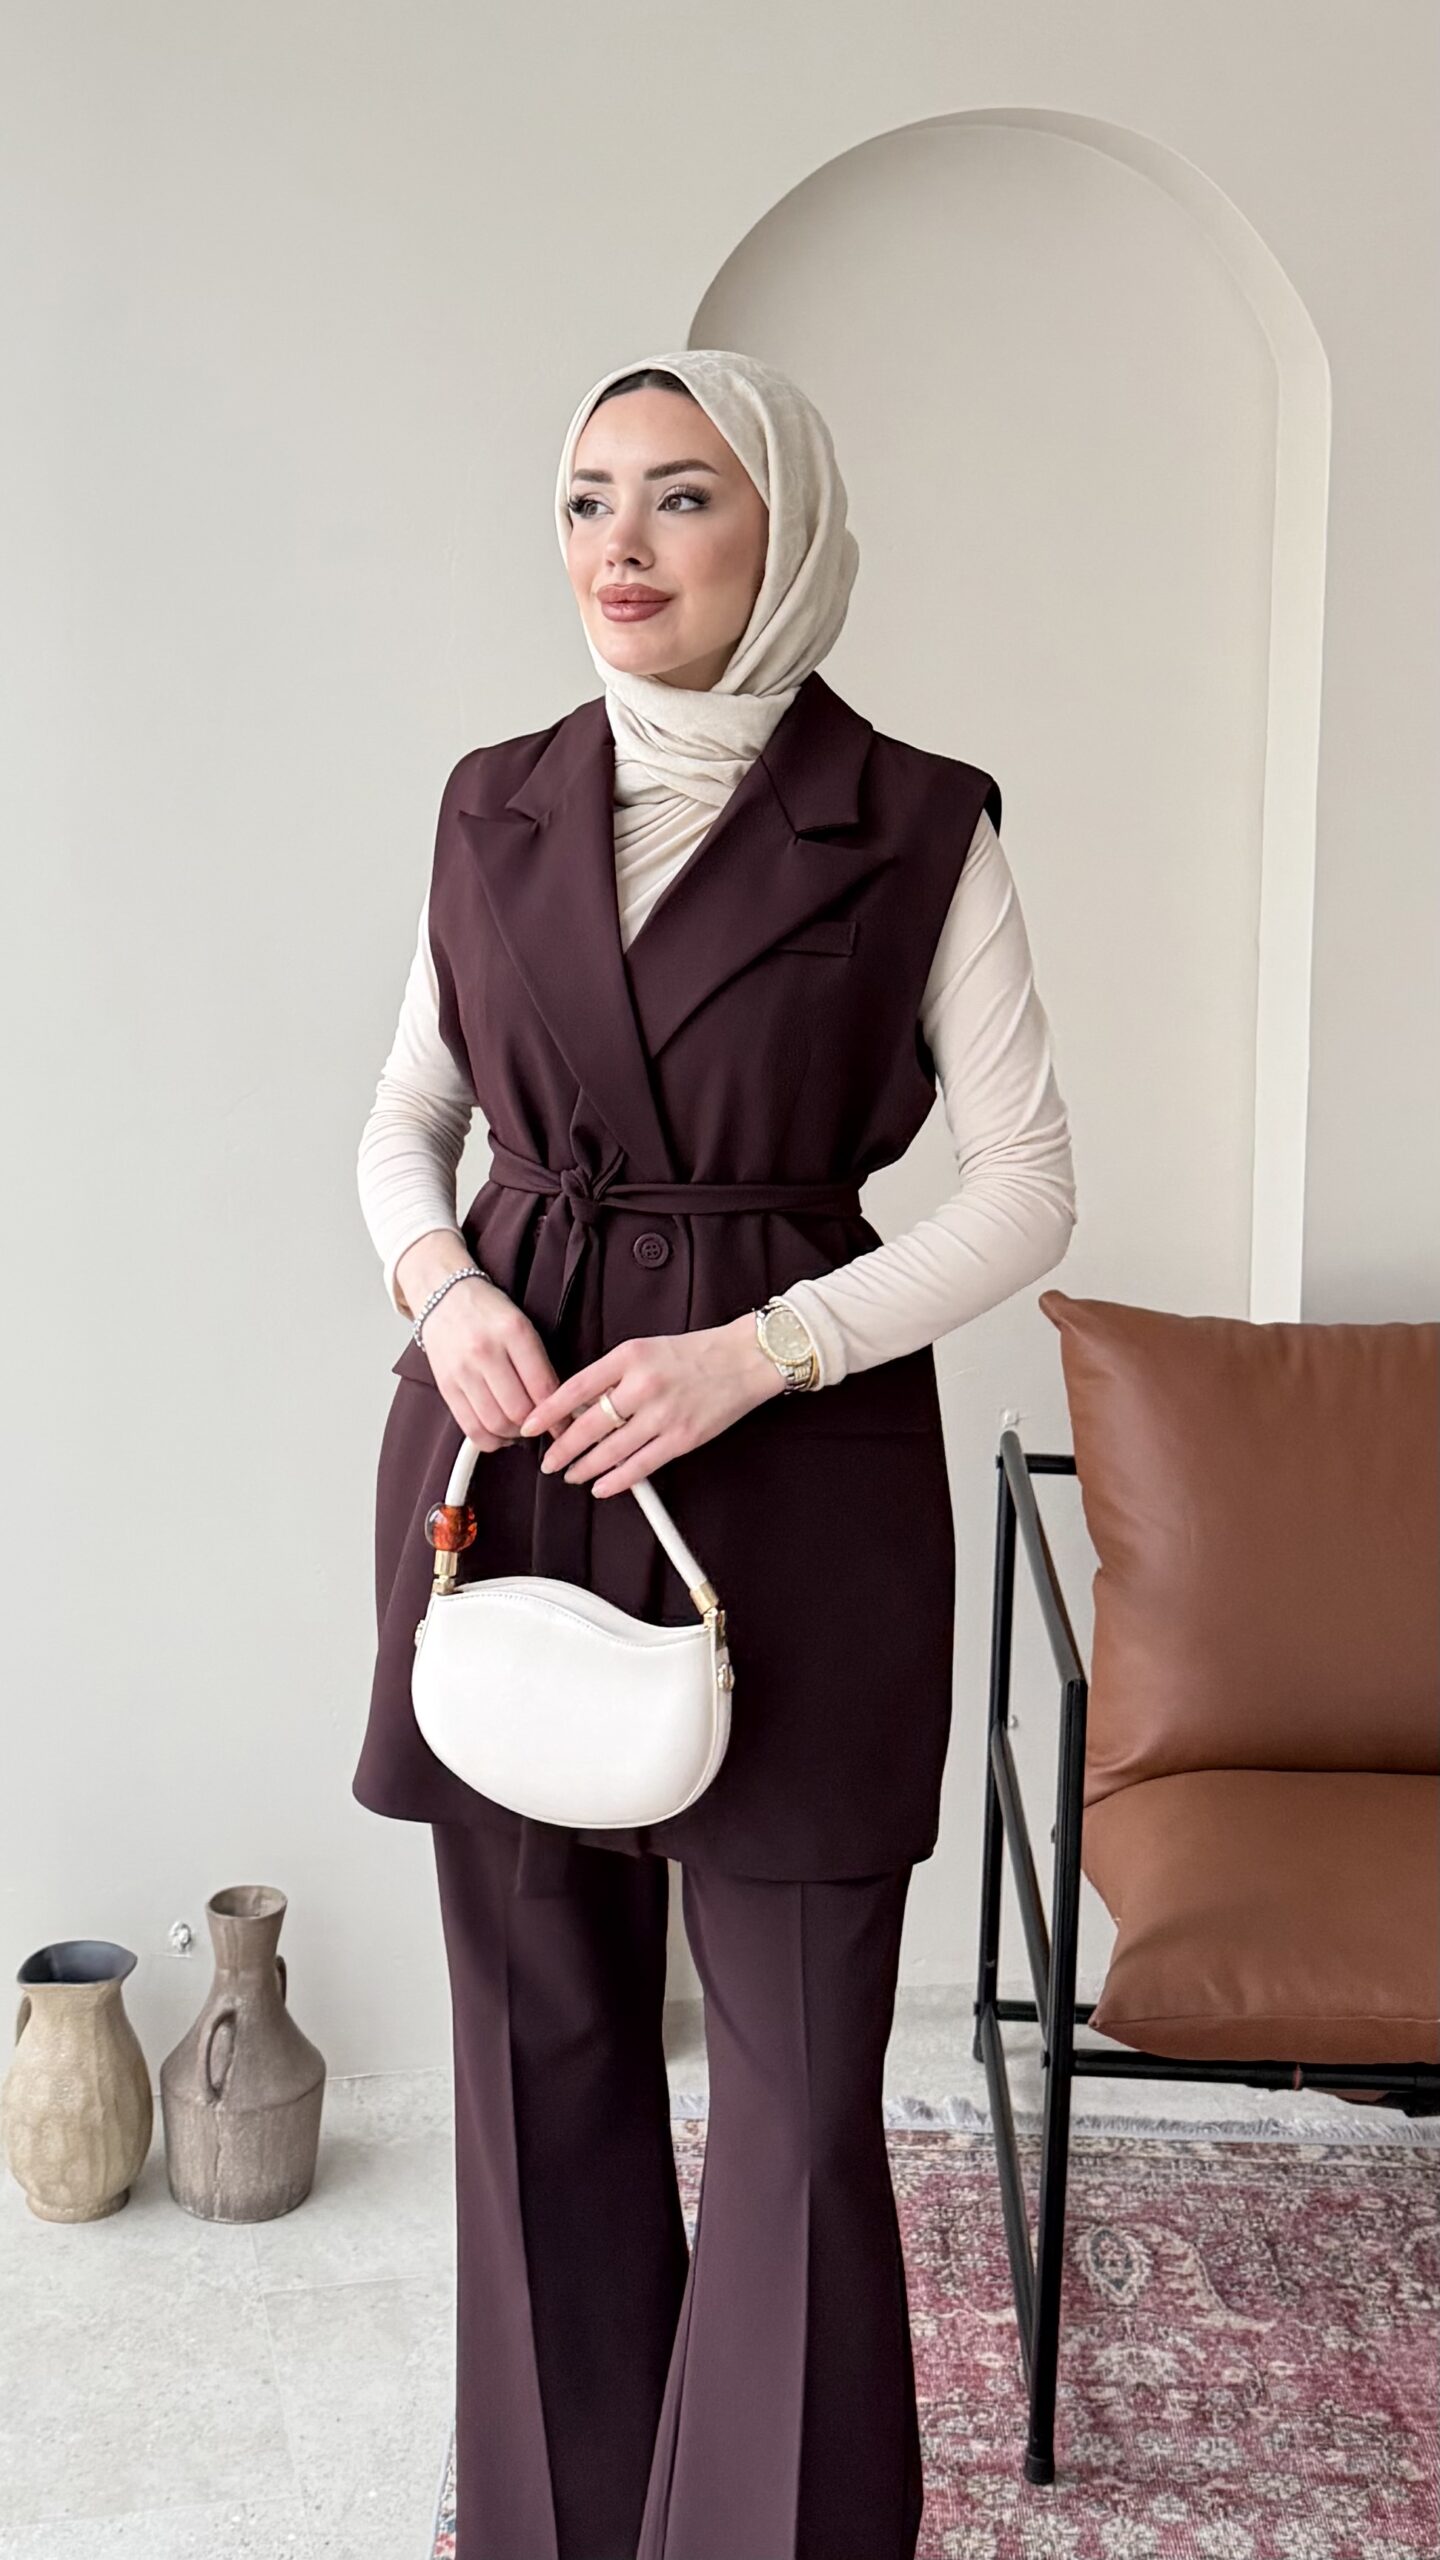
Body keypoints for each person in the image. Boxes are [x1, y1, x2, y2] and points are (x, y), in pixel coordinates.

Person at [354, 348, 1077, 2560]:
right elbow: (404, 1127)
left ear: (787, 528)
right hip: (504, 1455)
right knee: (537, 2048)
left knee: (792, 2095)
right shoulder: (493, 803)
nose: (620, 548)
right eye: (587, 499)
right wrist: (445, 1292)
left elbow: (1028, 1188)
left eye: (681, 497)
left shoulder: (917, 821)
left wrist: (763, 1350)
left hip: (792, 1477)